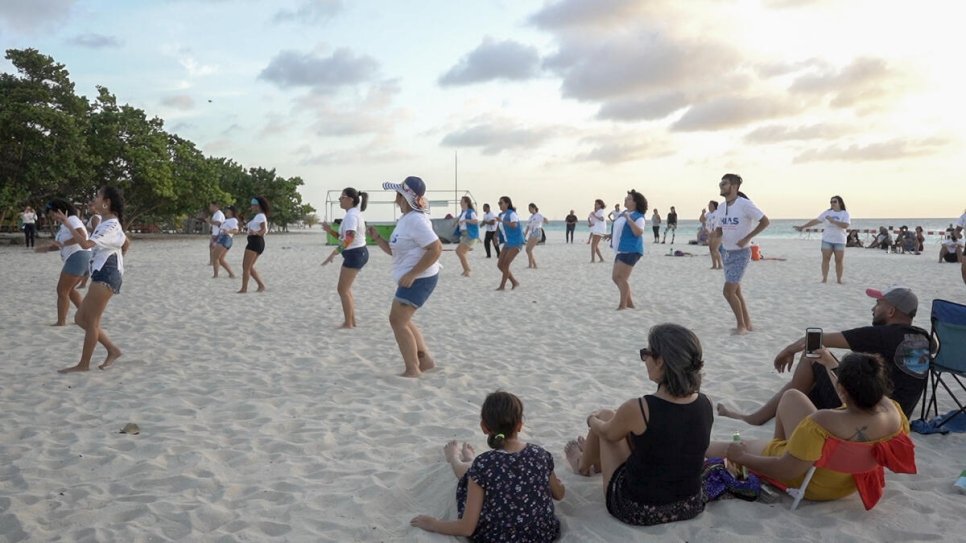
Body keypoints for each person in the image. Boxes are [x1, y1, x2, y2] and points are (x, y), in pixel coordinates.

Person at [708, 351, 915, 505]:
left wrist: (742, 457)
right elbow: (853, 394)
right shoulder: (893, 412)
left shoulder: (824, 421)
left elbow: (787, 470)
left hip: (815, 483)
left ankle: (773, 448)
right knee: (792, 397)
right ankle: (777, 445)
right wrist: (830, 364)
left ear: (843, 390)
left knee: (728, 447)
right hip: (849, 480)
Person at [564, 324, 712, 526]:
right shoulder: (705, 403)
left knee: (606, 418)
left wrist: (591, 419)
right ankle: (593, 461)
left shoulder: (640, 407)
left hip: (639, 508)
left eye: (646, 354)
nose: (644, 360)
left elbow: (607, 432)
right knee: (632, 429)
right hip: (690, 504)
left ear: (660, 361)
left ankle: (582, 465)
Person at [717, 286, 930, 424]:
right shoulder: (923, 338)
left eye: (879, 304)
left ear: (891, 311)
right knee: (835, 370)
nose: (873, 308)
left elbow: (817, 339)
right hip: (898, 419)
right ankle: (794, 407)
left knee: (813, 356)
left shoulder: (881, 335)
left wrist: (789, 350)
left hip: (870, 416)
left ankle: (757, 419)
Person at [410, 391, 565, 541]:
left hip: (497, 537)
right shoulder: (541, 454)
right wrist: (557, 484)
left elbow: (466, 528)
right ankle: (466, 458)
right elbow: (559, 494)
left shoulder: (484, 464)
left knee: (470, 475)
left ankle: (454, 458)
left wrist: (433, 524)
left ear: (484, 427)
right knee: (480, 472)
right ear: (520, 425)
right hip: (542, 535)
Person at [368, 176, 442, 377]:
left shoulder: (416, 220)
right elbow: (397, 252)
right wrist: (377, 239)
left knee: (397, 320)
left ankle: (412, 368)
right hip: (416, 277)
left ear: (405, 197)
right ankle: (425, 361)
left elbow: (436, 248)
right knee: (404, 320)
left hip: (420, 278)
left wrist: (412, 274)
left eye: (398, 195)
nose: (395, 199)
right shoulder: (407, 220)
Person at [52, 186, 129, 373]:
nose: (94, 200)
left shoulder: (110, 225)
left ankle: (84, 364)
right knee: (80, 318)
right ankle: (112, 350)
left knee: (92, 321)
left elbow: (86, 244)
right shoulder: (107, 222)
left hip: (106, 275)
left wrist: (68, 224)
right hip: (103, 273)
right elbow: (126, 243)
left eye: (97, 196)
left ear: (107, 202)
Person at [715, 173, 770, 335]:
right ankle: (747, 324)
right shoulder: (721, 207)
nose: (721, 186)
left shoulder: (745, 204)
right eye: (720, 183)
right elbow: (720, 228)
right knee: (736, 291)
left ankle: (741, 327)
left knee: (728, 292)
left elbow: (765, 221)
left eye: (724, 183)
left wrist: (747, 237)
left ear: (734, 186)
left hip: (741, 253)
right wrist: (715, 235)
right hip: (726, 252)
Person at [35, 198, 92, 326]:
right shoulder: (65, 225)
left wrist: (62, 243)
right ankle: (86, 317)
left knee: (62, 291)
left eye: (51, 213)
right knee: (69, 290)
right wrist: (47, 249)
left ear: (59, 211)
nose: (51, 217)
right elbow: (62, 245)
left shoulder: (72, 220)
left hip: (78, 256)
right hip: (82, 257)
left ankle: (61, 321)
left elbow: (81, 236)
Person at [321, 188, 369, 328]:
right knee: (345, 290)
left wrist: (334, 253)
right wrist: (329, 230)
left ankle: (348, 322)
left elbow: (350, 237)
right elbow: (343, 237)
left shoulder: (351, 216)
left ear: (350, 199)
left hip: (355, 254)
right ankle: (351, 321)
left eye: (342, 197)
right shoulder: (352, 214)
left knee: (342, 290)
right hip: (357, 253)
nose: (339, 200)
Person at [794, 195, 851, 284]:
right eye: (831, 202)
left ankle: (839, 280)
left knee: (839, 260)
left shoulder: (845, 213)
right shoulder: (827, 212)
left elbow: (846, 225)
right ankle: (824, 279)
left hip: (840, 240)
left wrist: (834, 221)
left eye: (834, 201)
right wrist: (803, 226)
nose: (832, 203)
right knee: (825, 259)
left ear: (840, 203)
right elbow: (816, 221)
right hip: (827, 239)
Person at [611, 190, 647, 310]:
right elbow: (620, 229)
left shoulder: (638, 217)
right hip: (622, 249)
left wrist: (629, 219)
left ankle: (623, 305)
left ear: (635, 203)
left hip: (631, 249)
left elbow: (638, 232)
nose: (626, 199)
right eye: (626, 198)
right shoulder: (624, 213)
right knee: (616, 277)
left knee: (620, 278)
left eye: (629, 198)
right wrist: (610, 235)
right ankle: (629, 303)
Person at [238, 196, 269, 293]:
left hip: (255, 241)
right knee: (249, 267)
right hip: (255, 241)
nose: (251, 207)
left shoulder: (260, 216)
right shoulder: (257, 217)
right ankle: (261, 285)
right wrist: (242, 219)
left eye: (252, 205)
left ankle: (244, 289)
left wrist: (257, 233)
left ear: (257, 206)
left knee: (246, 267)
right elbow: (248, 228)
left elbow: (264, 229)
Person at [495, 196, 524, 290]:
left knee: (506, 264)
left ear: (507, 204)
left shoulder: (512, 214)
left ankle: (502, 286)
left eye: (501, 203)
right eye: (499, 203)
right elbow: (499, 226)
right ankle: (514, 282)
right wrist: (495, 236)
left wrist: (503, 221)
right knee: (500, 265)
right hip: (507, 242)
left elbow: (514, 225)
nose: (499, 205)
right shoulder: (500, 215)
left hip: (516, 242)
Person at [454, 196, 479, 277]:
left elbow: (475, 221)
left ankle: (467, 269)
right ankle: (466, 270)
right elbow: (461, 222)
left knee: (459, 251)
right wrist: (457, 223)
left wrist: (466, 220)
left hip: (470, 234)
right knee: (462, 252)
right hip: (464, 234)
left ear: (466, 202)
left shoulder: (470, 212)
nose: (460, 202)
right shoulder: (463, 212)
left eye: (462, 201)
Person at [211, 206, 238, 279]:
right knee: (220, 259)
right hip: (223, 238)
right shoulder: (227, 220)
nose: (226, 212)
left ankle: (215, 275)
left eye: (227, 211)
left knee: (215, 256)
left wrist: (228, 231)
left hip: (226, 238)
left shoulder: (233, 220)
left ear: (231, 212)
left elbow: (236, 230)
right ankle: (231, 274)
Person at [524, 203, 544, 269]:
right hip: (531, 233)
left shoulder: (538, 215)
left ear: (534, 208)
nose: (529, 210)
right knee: (527, 249)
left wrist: (546, 220)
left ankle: (531, 265)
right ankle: (534, 265)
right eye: (528, 208)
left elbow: (544, 220)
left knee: (529, 249)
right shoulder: (530, 217)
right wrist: (524, 235)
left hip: (537, 232)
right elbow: (527, 227)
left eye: (530, 208)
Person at [705, 200, 722, 270]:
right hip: (710, 233)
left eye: (711, 205)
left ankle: (720, 265)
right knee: (711, 249)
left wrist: (714, 232)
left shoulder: (718, 213)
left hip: (716, 233)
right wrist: (702, 213)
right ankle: (714, 265)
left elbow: (718, 224)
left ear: (714, 206)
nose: (709, 207)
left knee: (715, 249)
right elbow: (701, 220)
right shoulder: (708, 214)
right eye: (708, 205)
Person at [207, 202, 225, 266]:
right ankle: (212, 261)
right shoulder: (216, 214)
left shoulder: (219, 214)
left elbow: (218, 223)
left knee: (213, 248)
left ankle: (213, 262)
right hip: (215, 233)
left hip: (218, 233)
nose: (210, 208)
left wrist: (209, 221)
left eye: (211, 206)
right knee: (211, 247)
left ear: (215, 206)